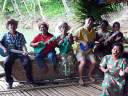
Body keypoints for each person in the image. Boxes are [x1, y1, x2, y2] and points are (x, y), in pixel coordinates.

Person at [0, 19, 33, 89]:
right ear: (8, 27)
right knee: (6, 63)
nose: (12, 26)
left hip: (20, 53)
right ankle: (9, 81)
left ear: (16, 26)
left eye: (14, 25)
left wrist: (25, 51)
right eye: (10, 25)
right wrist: (4, 48)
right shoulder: (5, 35)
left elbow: (23, 45)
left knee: (27, 62)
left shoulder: (20, 35)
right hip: (11, 54)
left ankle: (29, 79)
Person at [73, 16, 96, 85]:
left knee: (94, 62)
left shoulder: (93, 31)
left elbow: (93, 40)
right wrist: (82, 42)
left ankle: (89, 75)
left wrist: (96, 43)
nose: (90, 22)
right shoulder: (81, 29)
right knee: (83, 62)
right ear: (85, 21)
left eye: (91, 20)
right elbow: (74, 38)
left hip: (89, 50)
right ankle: (80, 78)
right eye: (89, 20)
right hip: (80, 50)